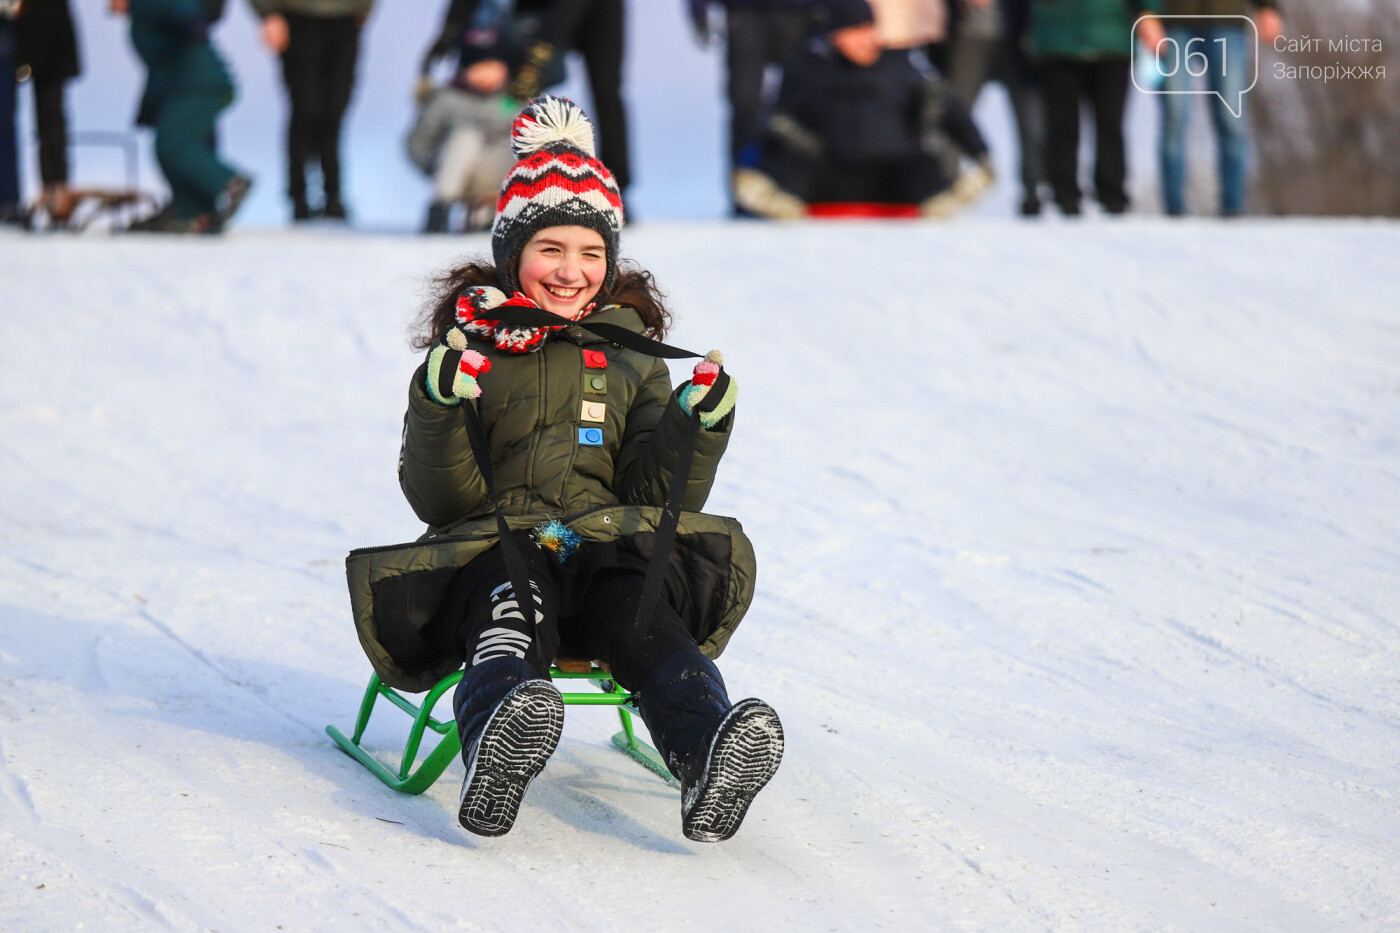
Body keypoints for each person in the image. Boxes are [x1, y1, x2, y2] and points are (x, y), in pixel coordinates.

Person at [357, 96, 783, 841]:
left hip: (602, 547)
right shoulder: (471, 350)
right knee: (510, 610)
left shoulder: (629, 352)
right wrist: (438, 402)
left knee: (649, 619)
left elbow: (654, 498)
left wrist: (696, 424)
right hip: (492, 548)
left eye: (591, 253)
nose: (571, 271)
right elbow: (439, 493)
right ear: (511, 251)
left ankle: (707, 749)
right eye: (550, 249)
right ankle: (501, 734)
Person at [733, 0, 992, 219]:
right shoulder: (808, 71)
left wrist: (979, 153)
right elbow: (773, 121)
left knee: (923, 165)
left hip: (890, 172)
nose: (868, 38)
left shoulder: (901, 66)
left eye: (871, 28)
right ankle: (772, 197)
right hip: (828, 174)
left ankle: (940, 199)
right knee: (789, 156)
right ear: (835, 35)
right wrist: (749, 164)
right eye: (856, 30)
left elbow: (949, 107)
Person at [437, 0, 631, 195]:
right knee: (510, 87)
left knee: (605, 90)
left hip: (596, 8)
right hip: (536, 11)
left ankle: (616, 188)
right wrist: (451, 28)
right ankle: (504, 186)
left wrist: (542, 50)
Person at [113, 0, 252, 234]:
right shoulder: (139, 12)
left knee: (173, 144)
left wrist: (189, 20)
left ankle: (229, 183)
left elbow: (176, 5)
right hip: (184, 85)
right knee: (184, 144)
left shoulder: (145, 4)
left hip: (198, 82)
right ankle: (194, 212)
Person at [1027, 0, 1162, 216]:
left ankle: (1112, 193)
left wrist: (1148, 12)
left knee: (1110, 122)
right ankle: (1064, 194)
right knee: (1062, 125)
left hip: (1112, 37)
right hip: (1058, 38)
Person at [686, 0, 823, 210]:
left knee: (803, 106)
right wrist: (698, 8)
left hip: (803, 13)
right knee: (745, 107)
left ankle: (802, 193)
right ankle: (744, 195)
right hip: (744, 11)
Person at [248, 0, 372, 222]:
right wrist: (268, 13)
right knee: (305, 108)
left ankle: (333, 196)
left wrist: (365, 7)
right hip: (296, 16)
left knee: (335, 109)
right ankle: (299, 197)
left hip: (345, 17)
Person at [1157, 0, 1282, 217]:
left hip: (1227, 21)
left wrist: (1267, 7)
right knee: (1174, 116)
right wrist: (1146, 14)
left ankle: (1233, 207)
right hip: (1173, 21)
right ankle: (1173, 208)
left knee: (1231, 117)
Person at [947, 0, 1047, 215]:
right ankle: (944, 186)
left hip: (1020, 35)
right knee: (954, 115)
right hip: (968, 34)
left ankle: (1034, 191)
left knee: (1031, 121)